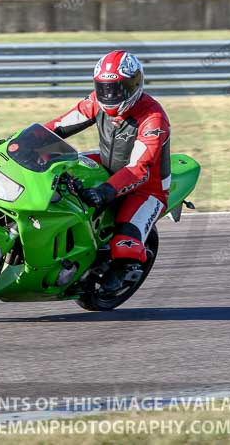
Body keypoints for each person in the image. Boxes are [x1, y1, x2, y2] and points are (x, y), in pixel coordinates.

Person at [44, 50, 171, 292]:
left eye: (117, 89)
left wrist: (104, 192)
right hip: (106, 166)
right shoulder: (96, 101)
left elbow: (139, 169)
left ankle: (126, 268)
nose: (109, 95)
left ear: (134, 85)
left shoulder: (153, 118)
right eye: (104, 88)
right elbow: (58, 126)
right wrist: (19, 142)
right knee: (56, 170)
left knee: (125, 243)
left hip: (146, 188)